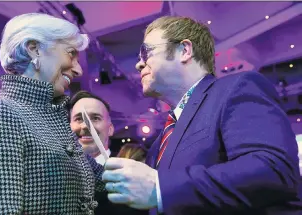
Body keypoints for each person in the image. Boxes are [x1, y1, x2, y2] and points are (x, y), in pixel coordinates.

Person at [102, 16, 302, 215]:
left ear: (184, 50)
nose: (138, 64)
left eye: (146, 52)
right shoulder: (160, 143)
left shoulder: (237, 88)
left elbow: (273, 170)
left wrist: (160, 188)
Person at [0, 13, 106, 215]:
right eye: (71, 53)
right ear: (34, 49)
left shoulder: (57, 123)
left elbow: (104, 178)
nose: (79, 70)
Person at [69, 90, 117, 165]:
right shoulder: (59, 169)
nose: (85, 126)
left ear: (110, 129)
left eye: (95, 118)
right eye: (78, 119)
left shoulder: (129, 170)